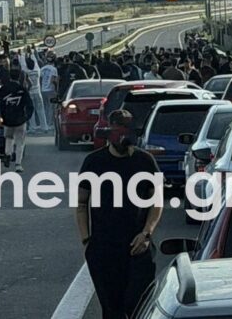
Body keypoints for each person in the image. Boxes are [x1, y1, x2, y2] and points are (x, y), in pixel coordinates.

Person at [76, 109, 163, 319]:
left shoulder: (145, 161)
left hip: (138, 248)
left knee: (138, 306)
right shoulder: (94, 162)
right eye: (119, 129)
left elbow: (156, 201)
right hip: (103, 250)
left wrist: (147, 233)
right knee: (112, 310)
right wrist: (87, 240)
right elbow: (81, 203)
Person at [0, 68, 34, 173]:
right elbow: (30, 106)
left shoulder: (4, 88)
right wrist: (27, 117)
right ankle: (18, 164)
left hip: (7, 120)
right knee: (20, 142)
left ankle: (8, 154)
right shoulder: (22, 90)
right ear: (19, 77)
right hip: (20, 120)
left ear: (9, 76)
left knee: (8, 138)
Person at [21, 53, 48, 133]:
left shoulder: (26, 71)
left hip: (30, 93)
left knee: (31, 110)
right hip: (38, 92)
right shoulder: (37, 70)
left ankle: (33, 127)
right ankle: (44, 127)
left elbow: (22, 64)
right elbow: (35, 62)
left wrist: (22, 55)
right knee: (41, 110)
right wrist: (32, 54)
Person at [40, 55, 59, 129]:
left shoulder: (42, 69)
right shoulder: (54, 69)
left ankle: (45, 123)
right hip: (51, 90)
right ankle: (50, 123)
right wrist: (56, 89)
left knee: (45, 107)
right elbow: (53, 80)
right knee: (51, 107)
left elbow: (40, 80)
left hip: (43, 90)